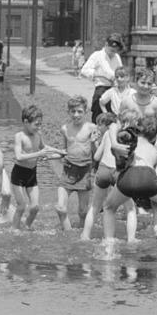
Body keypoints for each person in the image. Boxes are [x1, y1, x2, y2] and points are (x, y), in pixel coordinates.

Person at [101, 115, 157, 265]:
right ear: (155, 134)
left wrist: (114, 144)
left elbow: (112, 126)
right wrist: (156, 221)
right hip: (148, 178)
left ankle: (109, 251)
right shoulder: (155, 152)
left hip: (126, 180)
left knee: (109, 208)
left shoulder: (128, 141)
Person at [80, 111, 138, 243]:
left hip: (103, 170)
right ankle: (131, 239)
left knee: (95, 207)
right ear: (130, 123)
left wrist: (95, 144)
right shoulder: (130, 136)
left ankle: (85, 236)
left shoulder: (108, 133)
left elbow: (96, 157)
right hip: (119, 172)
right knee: (130, 208)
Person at [10, 104, 65, 230]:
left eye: (40, 124)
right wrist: (39, 154)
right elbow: (18, 156)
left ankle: (26, 227)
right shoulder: (19, 136)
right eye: (36, 124)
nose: (39, 127)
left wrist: (60, 151)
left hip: (32, 174)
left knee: (35, 207)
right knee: (21, 206)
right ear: (25, 122)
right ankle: (14, 230)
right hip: (18, 174)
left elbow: (44, 148)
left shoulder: (37, 135)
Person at [55, 96, 98, 231]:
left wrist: (92, 143)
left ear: (85, 111)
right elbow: (64, 150)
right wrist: (50, 155)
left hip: (84, 171)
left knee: (83, 212)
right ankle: (68, 234)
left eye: (79, 111)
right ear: (68, 112)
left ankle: (80, 233)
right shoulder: (65, 128)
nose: (76, 115)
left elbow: (97, 153)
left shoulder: (91, 128)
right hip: (68, 170)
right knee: (61, 208)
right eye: (73, 111)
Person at [80, 32, 124, 122]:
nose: (113, 53)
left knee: (113, 118)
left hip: (115, 90)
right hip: (101, 89)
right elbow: (84, 71)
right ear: (106, 45)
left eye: (115, 51)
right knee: (99, 118)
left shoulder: (117, 57)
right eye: (111, 50)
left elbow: (121, 71)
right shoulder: (97, 55)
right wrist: (100, 74)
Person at [118, 67, 157, 133]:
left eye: (149, 84)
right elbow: (119, 121)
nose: (146, 86)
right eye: (143, 83)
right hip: (129, 139)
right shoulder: (126, 102)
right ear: (136, 81)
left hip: (149, 140)